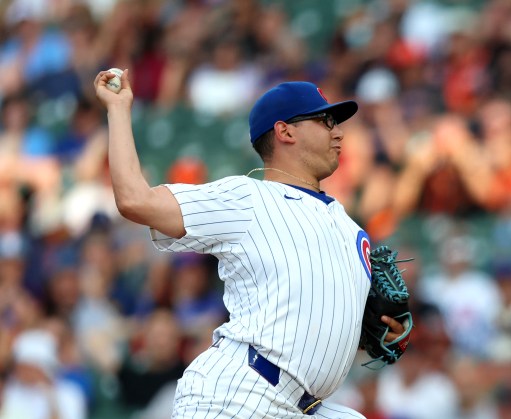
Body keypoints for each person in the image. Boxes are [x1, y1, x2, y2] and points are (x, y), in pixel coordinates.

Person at [93, 71, 409, 418]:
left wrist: (377, 334)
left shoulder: (352, 231)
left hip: (307, 406)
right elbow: (135, 201)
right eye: (325, 120)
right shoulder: (247, 198)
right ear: (284, 131)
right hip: (240, 394)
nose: (339, 131)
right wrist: (118, 109)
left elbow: (318, 324)